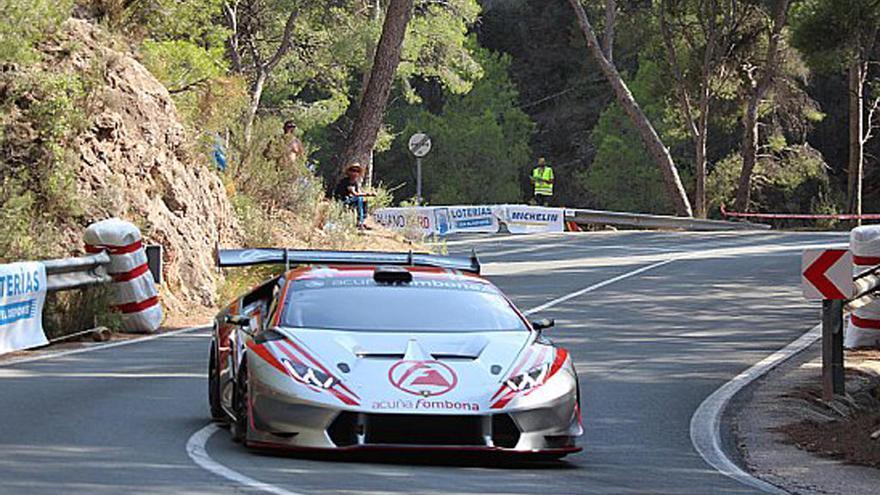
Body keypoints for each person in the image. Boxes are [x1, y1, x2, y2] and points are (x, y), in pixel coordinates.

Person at [334, 163, 375, 229]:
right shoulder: (346, 181)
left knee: (364, 201)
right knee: (359, 198)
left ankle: (362, 221)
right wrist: (368, 194)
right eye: (353, 171)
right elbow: (354, 193)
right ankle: (360, 222)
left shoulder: (355, 182)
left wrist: (366, 194)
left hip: (350, 200)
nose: (355, 173)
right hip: (342, 201)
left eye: (357, 171)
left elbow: (359, 192)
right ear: (349, 172)